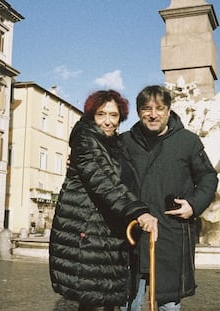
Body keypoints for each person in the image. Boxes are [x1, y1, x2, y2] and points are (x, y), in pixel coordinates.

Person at [49, 90, 158, 311]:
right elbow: (104, 181)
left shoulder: (113, 143)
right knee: (92, 301)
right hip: (89, 233)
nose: (108, 121)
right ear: (92, 115)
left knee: (107, 299)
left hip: (108, 234)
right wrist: (138, 211)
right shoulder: (85, 139)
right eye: (101, 114)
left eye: (114, 115)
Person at [120, 85, 218, 311]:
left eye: (159, 108)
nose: (153, 114)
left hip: (171, 234)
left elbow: (208, 177)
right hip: (134, 235)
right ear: (138, 112)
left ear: (168, 110)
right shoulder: (125, 142)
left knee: (169, 306)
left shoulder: (188, 141)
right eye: (146, 109)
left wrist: (194, 204)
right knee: (128, 305)